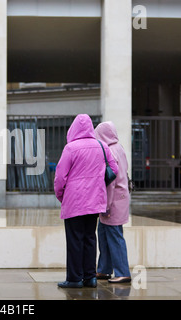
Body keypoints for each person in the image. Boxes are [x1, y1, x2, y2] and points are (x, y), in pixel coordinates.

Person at [54, 114, 118, 288]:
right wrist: (97, 183)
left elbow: (60, 177)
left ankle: (74, 279)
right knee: (90, 238)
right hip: (94, 200)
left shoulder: (70, 148)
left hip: (74, 201)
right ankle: (90, 277)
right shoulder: (102, 146)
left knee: (75, 239)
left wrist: (61, 196)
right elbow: (114, 169)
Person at [94, 121, 131, 284]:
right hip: (120, 198)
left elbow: (111, 182)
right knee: (104, 233)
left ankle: (123, 272)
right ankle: (104, 269)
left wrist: (106, 205)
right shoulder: (119, 148)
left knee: (114, 236)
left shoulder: (110, 151)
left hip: (114, 200)